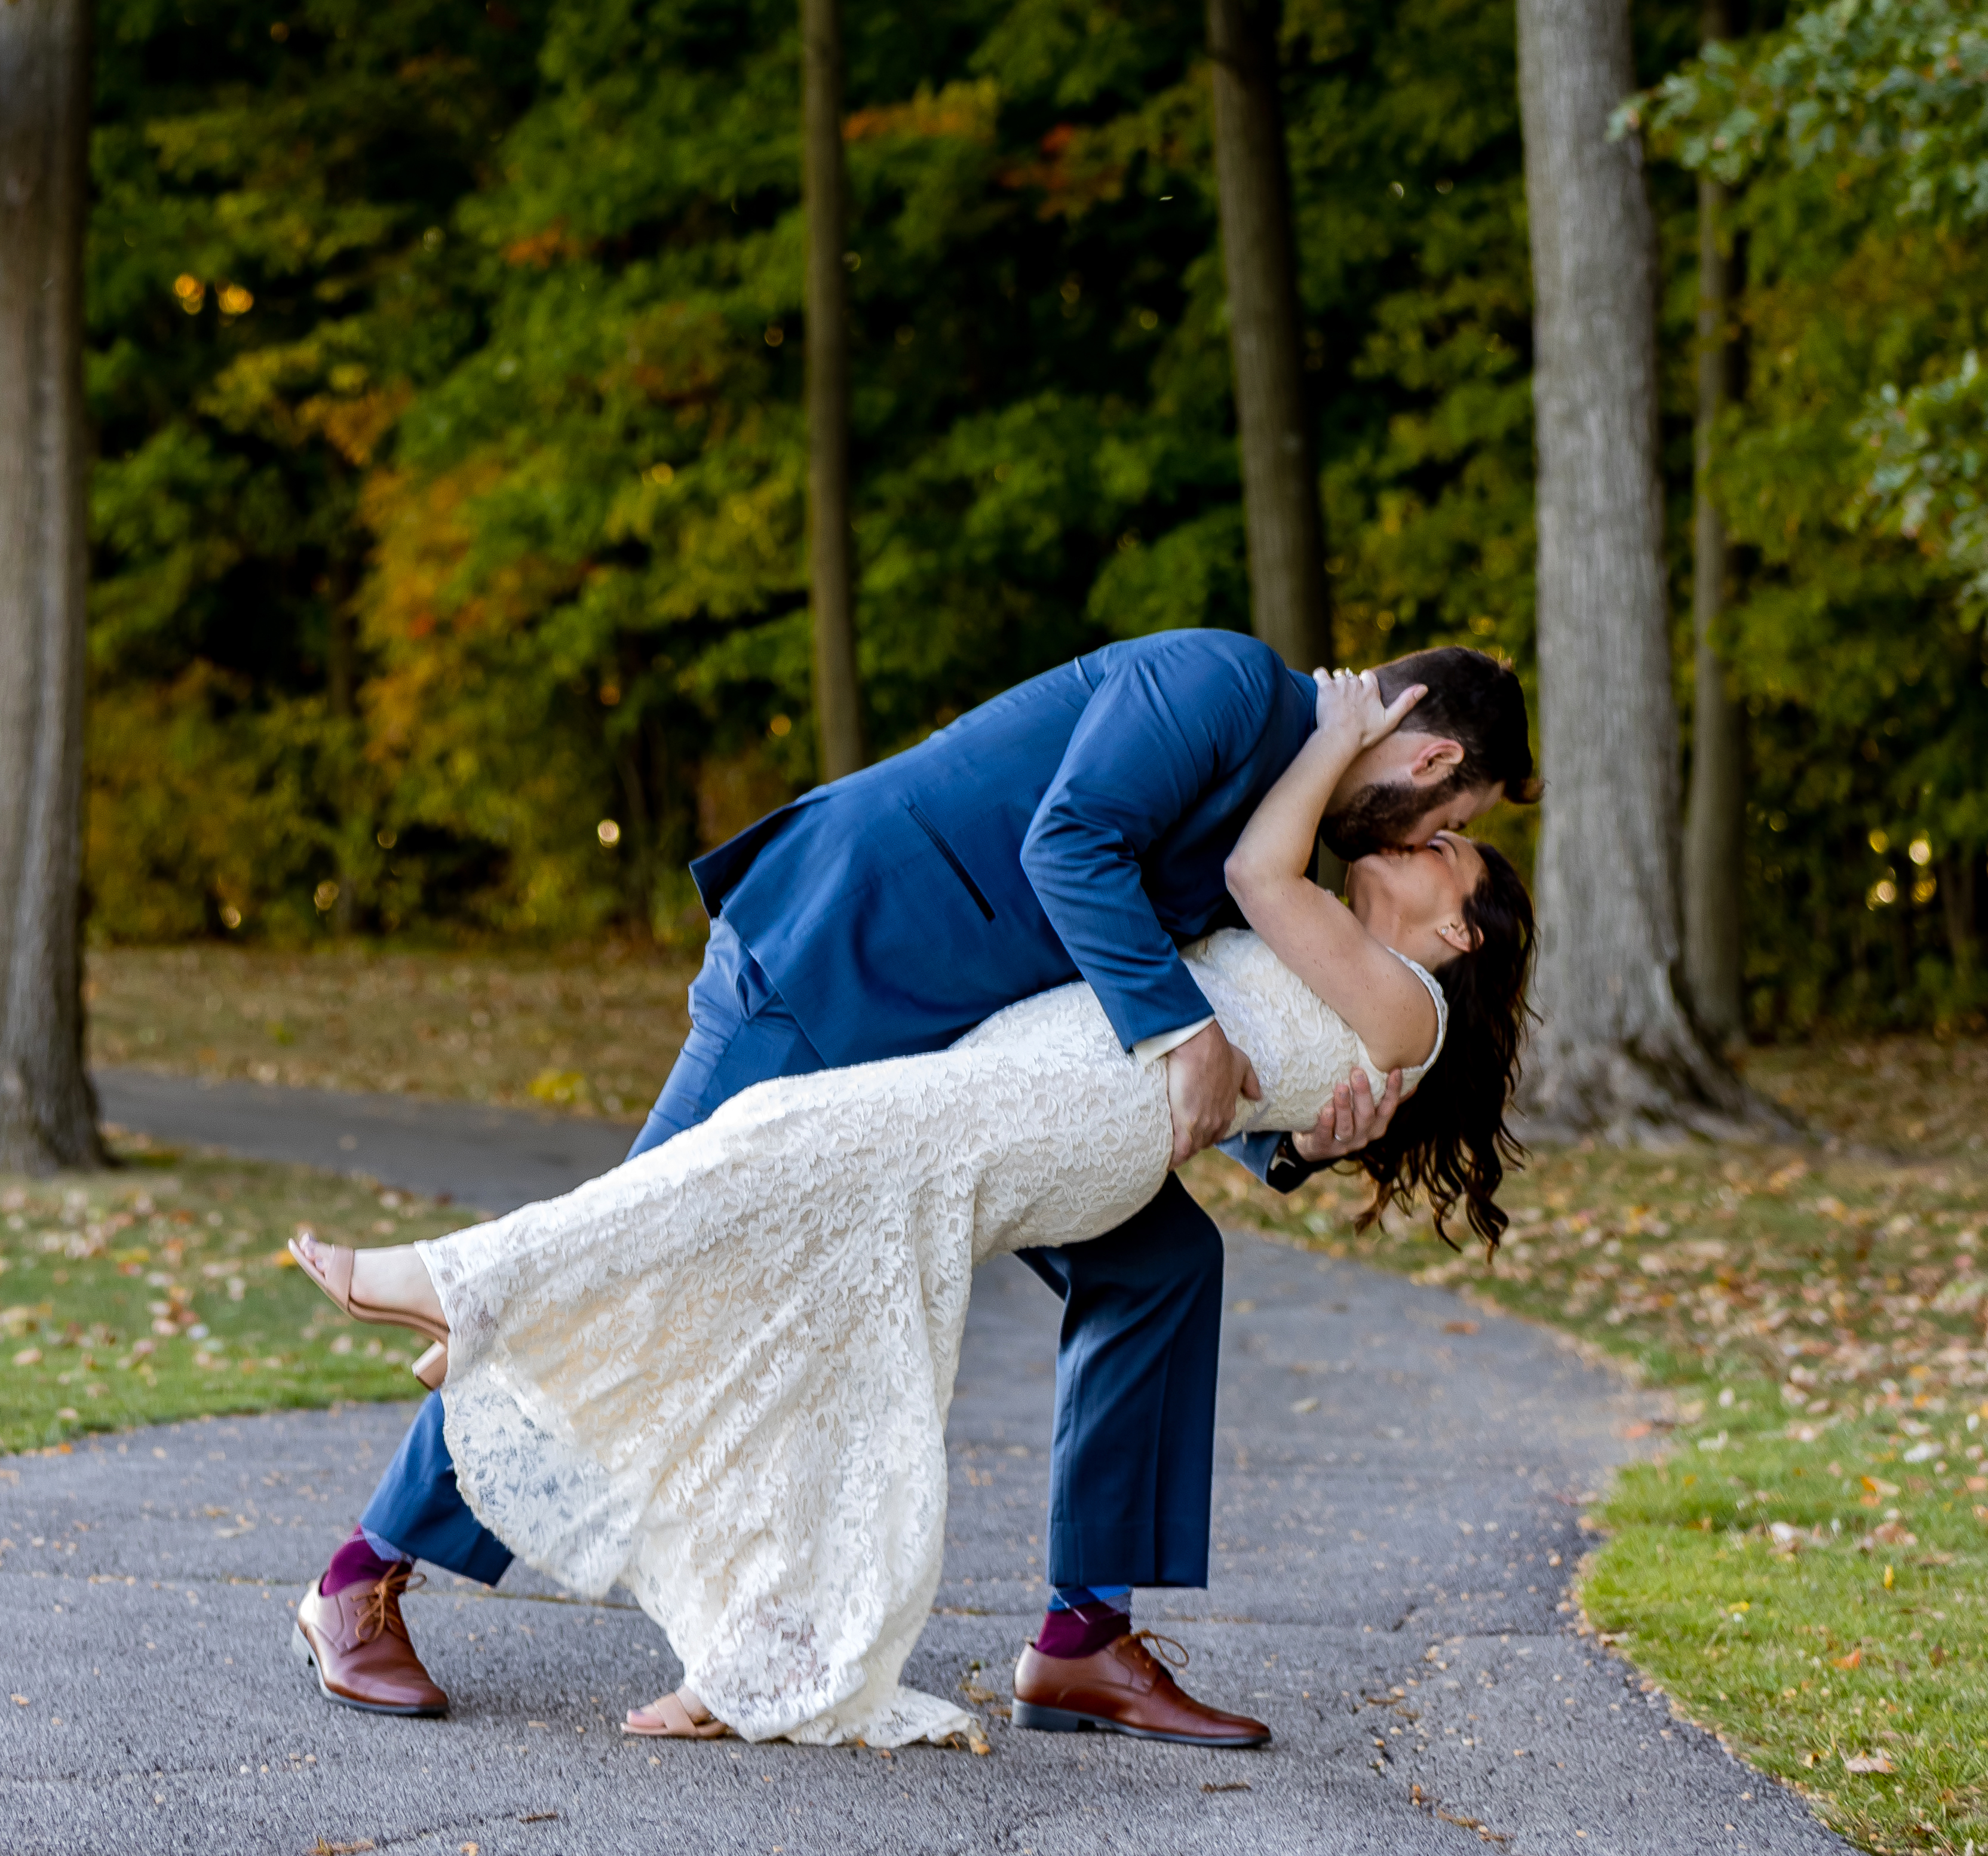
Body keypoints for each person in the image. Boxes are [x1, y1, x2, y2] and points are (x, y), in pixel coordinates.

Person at [292, 632, 1537, 1736]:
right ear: (1428, 758)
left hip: (972, 1074)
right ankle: (359, 1573)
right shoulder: (1215, 682)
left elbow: (1202, 1006)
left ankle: (1081, 1638)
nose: (1423, 840)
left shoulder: (1282, 815)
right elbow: (1071, 844)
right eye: (1444, 815)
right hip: (838, 955)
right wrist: (1181, 1036)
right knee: (636, 1261)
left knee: (1161, 1264)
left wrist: (1290, 1140)